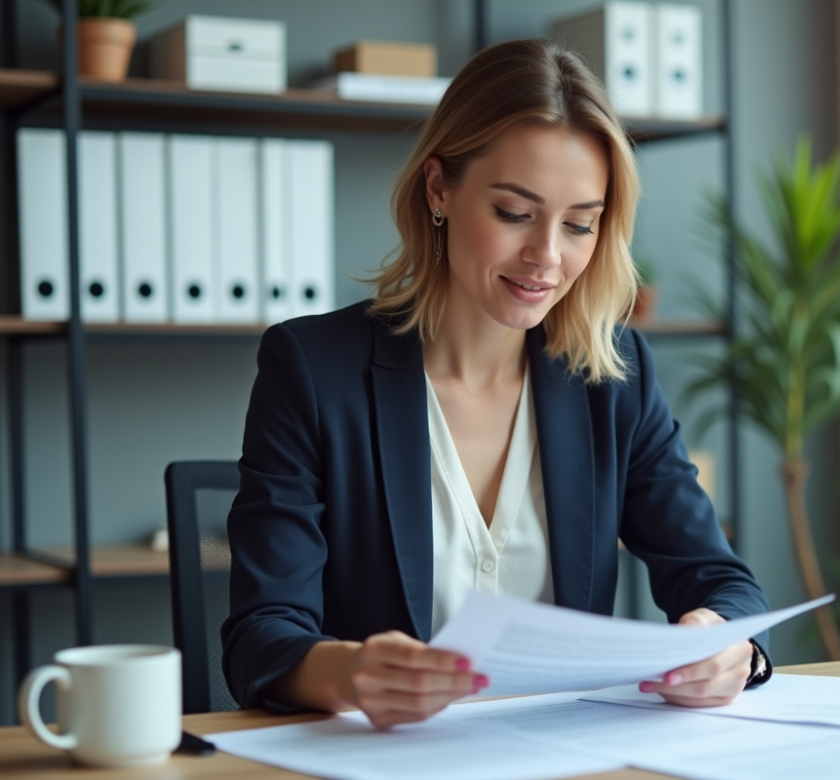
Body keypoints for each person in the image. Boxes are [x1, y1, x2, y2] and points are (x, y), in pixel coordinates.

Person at [222, 38, 773, 730]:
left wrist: (727, 645)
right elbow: (261, 638)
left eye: (580, 225)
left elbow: (723, 582)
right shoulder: (311, 367)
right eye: (515, 213)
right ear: (438, 190)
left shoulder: (613, 375)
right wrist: (351, 672)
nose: (547, 257)